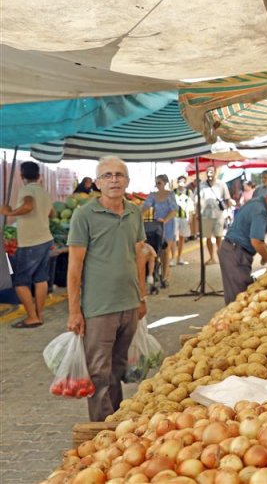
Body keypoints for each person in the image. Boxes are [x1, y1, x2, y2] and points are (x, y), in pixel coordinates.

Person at [66, 156, 147, 421]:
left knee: (118, 370)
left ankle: (116, 423)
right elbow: (74, 267)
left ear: (127, 181)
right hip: (99, 308)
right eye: (108, 176)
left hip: (129, 303)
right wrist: (74, 311)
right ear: (98, 183)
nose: (114, 180)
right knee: (99, 374)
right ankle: (101, 431)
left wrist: (142, 296)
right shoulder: (84, 215)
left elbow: (139, 256)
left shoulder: (134, 212)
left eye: (119, 175)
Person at [0, 161, 54, 328]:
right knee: (40, 279)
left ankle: (32, 317)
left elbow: (28, 205)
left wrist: (9, 212)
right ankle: (39, 314)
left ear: (22, 176)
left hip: (31, 242)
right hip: (45, 239)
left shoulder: (27, 190)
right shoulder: (44, 192)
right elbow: (52, 213)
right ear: (38, 176)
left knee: (21, 282)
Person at [219, 187, 267, 303]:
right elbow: (256, 242)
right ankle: (233, 321)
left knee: (239, 293)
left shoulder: (256, 201)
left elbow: (251, 234)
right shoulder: (260, 211)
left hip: (232, 249)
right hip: (235, 252)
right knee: (239, 298)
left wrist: (266, 248)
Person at [141, 175, 178, 285]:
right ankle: (158, 273)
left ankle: (165, 276)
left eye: (159, 183)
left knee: (165, 251)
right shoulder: (153, 195)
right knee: (157, 249)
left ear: (165, 183)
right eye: (156, 183)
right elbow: (145, 206)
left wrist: (165, 220)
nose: (157, 185)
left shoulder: (170, 195)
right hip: (156, 225)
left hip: (168, 224)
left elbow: (174, 210)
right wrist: (140, 215)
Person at [198, 165, 232, 264]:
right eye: (208, 172)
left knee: (218, 236)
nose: (209, 174)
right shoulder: (202, 185)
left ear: (215, 173)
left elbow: (227, 199)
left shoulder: (221, 184)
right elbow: (198, 199)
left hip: (219, 214)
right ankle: (212, 257)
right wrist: (197, 212)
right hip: (206, 214)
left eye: (211, 172)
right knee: (208, 237)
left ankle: (221, 257)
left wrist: (228, 213)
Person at [172, 175, 193, 265]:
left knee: (182, 237)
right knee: (173, 237)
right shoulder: (173, 192)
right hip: (174, 217)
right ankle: (173, 257)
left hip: (184, 217)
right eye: (180, 181)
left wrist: (190, 217)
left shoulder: (189, 192)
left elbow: (191, 206)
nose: (182, 183)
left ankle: (180, 257)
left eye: (183, 181)